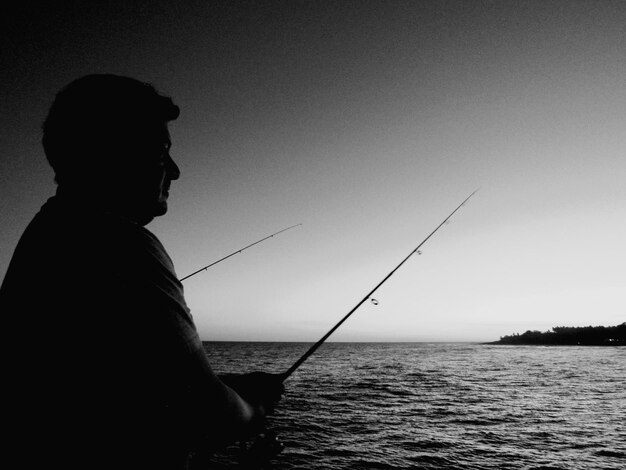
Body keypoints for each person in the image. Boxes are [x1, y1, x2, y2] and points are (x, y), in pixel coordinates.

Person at [0, 74, 284, 469]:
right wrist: (251, 410)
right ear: (111, 151)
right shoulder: (116, 241)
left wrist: (228, 386)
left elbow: (116, 386)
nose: (175, 170)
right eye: (160, 150)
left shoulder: (51, 233)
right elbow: (204, 408)